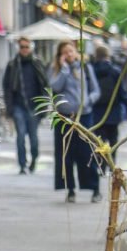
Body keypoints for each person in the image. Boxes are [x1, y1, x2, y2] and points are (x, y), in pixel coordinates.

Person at [49, 41, 99, 201]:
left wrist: (88, 100)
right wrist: (64, 69)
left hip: (84, 115)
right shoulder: (57, 70)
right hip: (65, 117)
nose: (69, 55)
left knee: (87, 153)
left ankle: (94, 188)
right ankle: (70, 189)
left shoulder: (85, 67)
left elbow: (96, 90)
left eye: (71, 51)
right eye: (65, 52)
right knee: (66, 155)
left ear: (76, 52)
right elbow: (55, 87)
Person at [0, 37, 49, 175]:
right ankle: (22, 164)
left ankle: (34, 159)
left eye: (27, 47)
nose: (24, 49)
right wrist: (9, 107)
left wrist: (44, 105)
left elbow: (45, 84)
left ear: (31, 48)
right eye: (22, 47)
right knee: (20, 135)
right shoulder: (12, 65)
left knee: (33, 137)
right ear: (18, 48)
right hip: (18, 106)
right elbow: (7, 87)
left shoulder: (37, 63)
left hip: (34, 106)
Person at [86, 40, 127, 197]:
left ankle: (101, 165)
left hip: (97, 113)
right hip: (113, 112)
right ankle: (112, 165)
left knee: (99, 141)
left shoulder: (92, 71)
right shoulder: (115, 71)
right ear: (108, 55)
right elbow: (122, 91)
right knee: (113, 141)